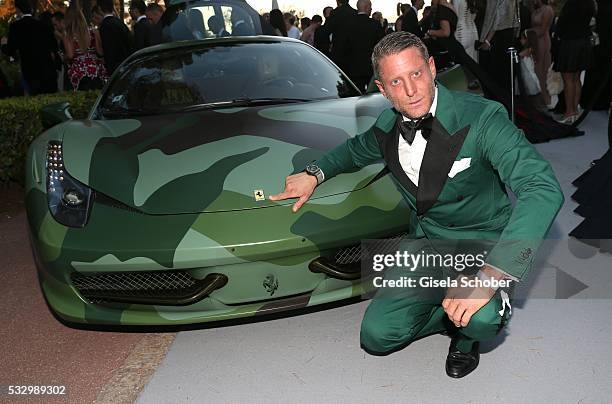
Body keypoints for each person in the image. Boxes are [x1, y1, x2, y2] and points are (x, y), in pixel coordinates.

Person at [270, 31, 563, 378]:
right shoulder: (385, 129)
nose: (410, 90)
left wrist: (489, 276)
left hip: (481, 245)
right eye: (396, 81)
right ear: (382, 89)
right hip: (427, 243)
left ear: (432, 68)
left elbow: (542, 187)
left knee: (482, 319)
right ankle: (449, 312)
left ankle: (468, 333)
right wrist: (314, 173)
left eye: (416, 74)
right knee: (377, 338)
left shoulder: (483, 118)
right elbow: (352, 151)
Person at [0, 0, 58, 95]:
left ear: (18, 10)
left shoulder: (16, 27)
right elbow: (54, 46)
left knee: (35, 101)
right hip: (48, 69)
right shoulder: (43, 25)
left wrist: (3, 45)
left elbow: (10, 50)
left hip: (31, 71)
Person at [552, 0, 596, 124]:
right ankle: (575, 111)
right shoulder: (589, 3)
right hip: (584, 42)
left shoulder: (571, 3)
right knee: (576, 78)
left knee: (568, 80)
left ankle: (569, 112)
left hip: (570, 43)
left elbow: (561, 24)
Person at [478, 0, 520, 100]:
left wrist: (487, 40)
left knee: (497, 77)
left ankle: (500, 105)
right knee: (505, 76)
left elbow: (497, 18)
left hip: (498, 39)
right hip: (507, 37)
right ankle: (506, 104)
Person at [61, 6, 107, 91]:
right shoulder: (94, 31)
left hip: (78, 72)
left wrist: (63, 57)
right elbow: (100, 52)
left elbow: (70, 55)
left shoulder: (68, 35)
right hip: (96, 69)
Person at [346, 0, 384, 92]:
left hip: (353, 68)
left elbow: (344, 46)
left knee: (356, 95)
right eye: (370, 7)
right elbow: (382, 46)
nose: (371, 9)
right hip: (371, 67)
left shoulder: (348, 24)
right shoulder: (375, 24)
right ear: (366, 7)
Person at [98, 0, 133, 75]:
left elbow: (108, 48)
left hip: (115, 65)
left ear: (100, 9)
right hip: (126, 62)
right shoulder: (120, 23)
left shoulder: (105, 25)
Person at [530, 0, 554, 107]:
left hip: (542, 41)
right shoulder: (535, 10)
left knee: (542, 70)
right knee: (535, 70)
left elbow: (543, 29)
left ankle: (546, 99)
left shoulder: (547, 10)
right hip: (534, 41)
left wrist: (527, 34)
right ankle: (539, 97)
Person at [424, 0, 458, 68]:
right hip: (453, 43)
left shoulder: (442, 9)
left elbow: (446, 32)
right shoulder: (450, 6)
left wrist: (430, 32)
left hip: (447, 47)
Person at [326, 0, 358, 73]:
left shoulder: (335, 12)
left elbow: (328, 30)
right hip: (352, 52)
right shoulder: (355, 12)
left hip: (338, 51)